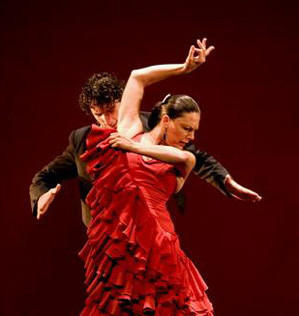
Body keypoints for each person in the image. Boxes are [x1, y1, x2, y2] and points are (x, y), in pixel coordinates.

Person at [78, 39, 261, 315]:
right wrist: (185, 68)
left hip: (158, 244)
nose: (191, 137)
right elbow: (137, 77)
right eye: (186, 128)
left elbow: (190, 158)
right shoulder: (129, 128)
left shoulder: (183, 158)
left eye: (195, 131)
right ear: (166, 120)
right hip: (121, 243)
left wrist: (131, 147)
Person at [29, 64, 260, 226]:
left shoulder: (150, 125)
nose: (107, 121)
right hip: (104, 237)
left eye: (111, 111)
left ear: (123, 100)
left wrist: (226, 180)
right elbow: (44, 177)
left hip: (146, 228)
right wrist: (41, 198)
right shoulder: (82, 140)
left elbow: (193, 156)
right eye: (98, 114)